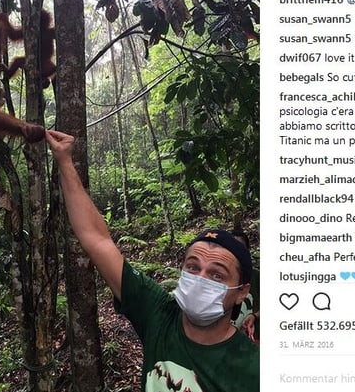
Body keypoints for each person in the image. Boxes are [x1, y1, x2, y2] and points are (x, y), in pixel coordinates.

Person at [45, 129, 259, 392]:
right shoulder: (159, 315)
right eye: (192, 267)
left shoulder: (255, 369)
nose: (199, 278)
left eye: (217, 275)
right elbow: (97, 240)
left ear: (242, 292)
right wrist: (65, 161)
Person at [231, 230, 260, 344]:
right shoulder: (220, 278)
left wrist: (254, 316)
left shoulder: (257, 277)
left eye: (240, 248)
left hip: (254, 340)